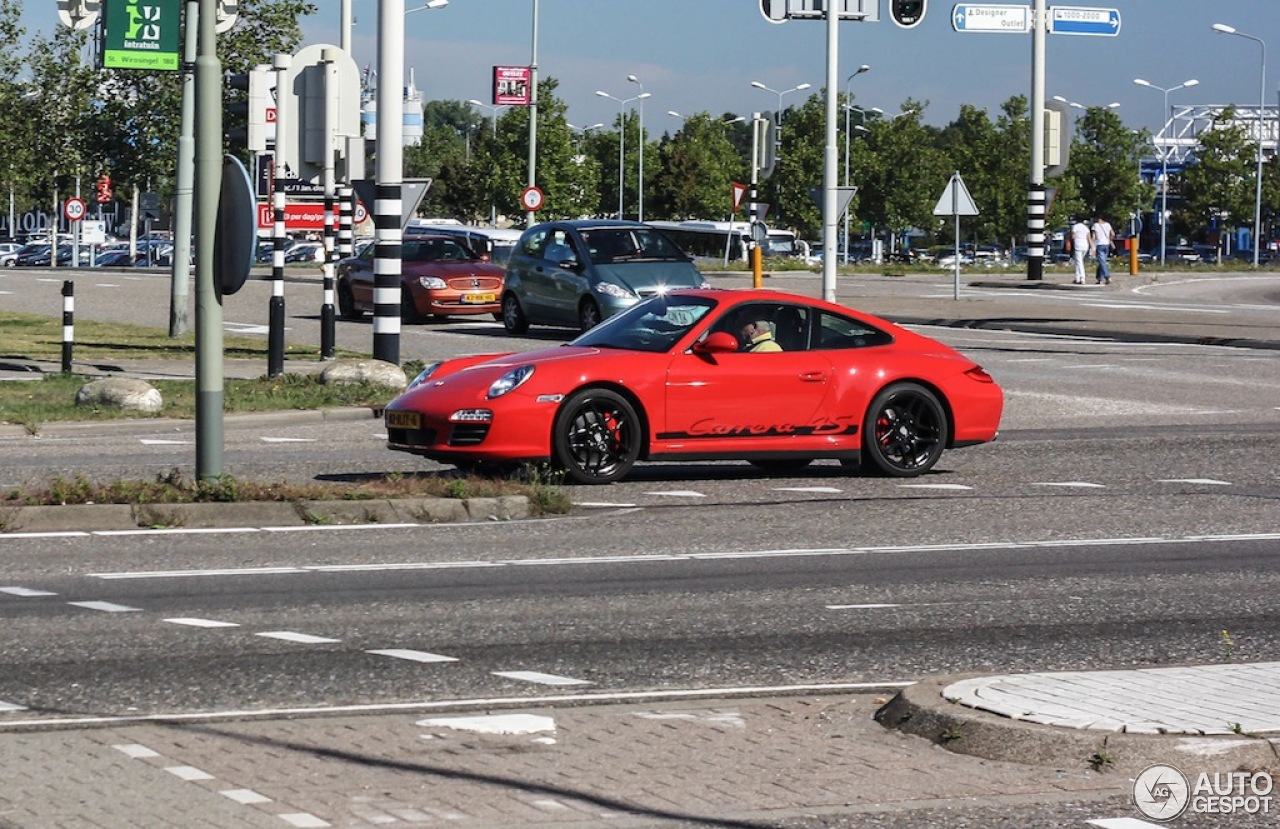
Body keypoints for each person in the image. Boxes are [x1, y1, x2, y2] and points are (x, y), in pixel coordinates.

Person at [1091, 213, 1115, 285]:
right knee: (1102, 262)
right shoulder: (1108, 224)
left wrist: (1092, 245)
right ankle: (1099, 279)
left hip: (1099, 244)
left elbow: (1095, 236)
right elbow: (1113, 234)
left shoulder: (1096, 225)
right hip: (1106, 244)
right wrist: (1109, 239)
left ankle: (1107, 277)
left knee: (1102, 262)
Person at [1069, 216, 1093, 285]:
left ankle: (1082, 278)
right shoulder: (1086, 228)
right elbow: (1089, 238)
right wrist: (1092, 247)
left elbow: (1073, 237)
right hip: (1085, 245)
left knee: (1079, 262)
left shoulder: (1075, 227)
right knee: (1078, 261)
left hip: (1078, 245)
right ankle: (1077, 278)